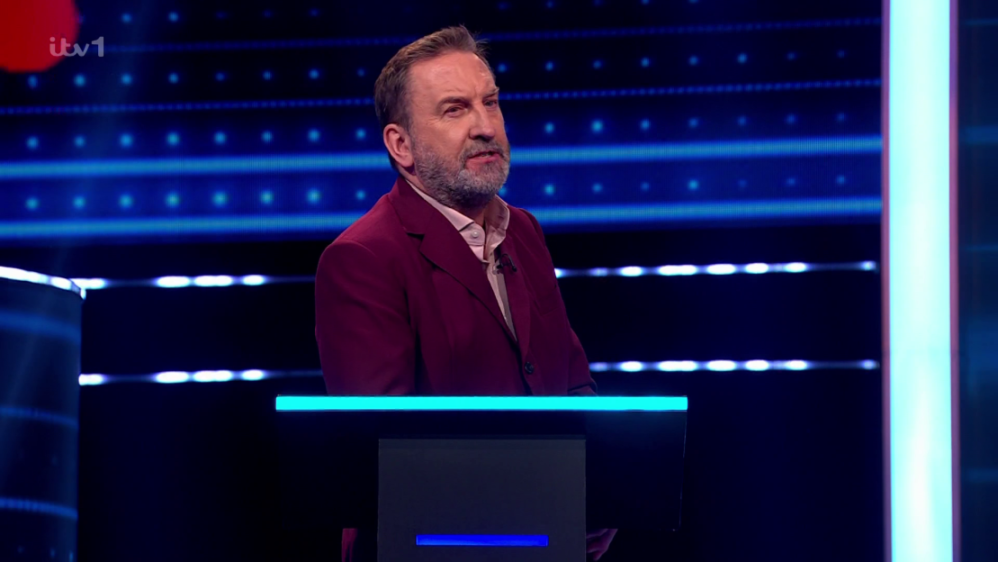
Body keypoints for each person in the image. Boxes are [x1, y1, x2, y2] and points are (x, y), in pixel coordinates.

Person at [314, 25, 614, 560]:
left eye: (490, 102)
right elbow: (385, 458)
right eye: (455, 110)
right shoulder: (363, 258)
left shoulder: (524, 230)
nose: (484, 127)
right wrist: (543, 505)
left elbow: (571, 386)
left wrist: (600, 490)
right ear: (401, 145)